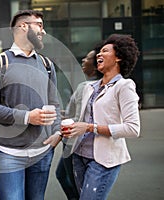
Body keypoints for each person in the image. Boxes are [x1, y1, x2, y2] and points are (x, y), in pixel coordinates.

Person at [0, 10, 62, 200]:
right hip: (10, 154)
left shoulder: (47, 64)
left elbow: (54, 104)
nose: (44, 31)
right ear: (23, 26)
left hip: (42, 152)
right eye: (39, 25)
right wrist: (26, 117)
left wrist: (57, 132)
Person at [61, 34, 141, 200]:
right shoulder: (89, 87)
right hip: (79, 156)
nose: (98, 54)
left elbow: (133, 128)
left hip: (103, 161)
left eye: (105, 51)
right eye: (99, 51)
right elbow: (77, 118)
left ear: (118, 57)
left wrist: (91, 127)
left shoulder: (124, 86)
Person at [56, 47, 103, 200]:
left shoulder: (85, 87)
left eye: (88, 58)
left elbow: (77, 118)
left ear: (97, 65)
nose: (84, 60)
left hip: (74, 142)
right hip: (88, 143)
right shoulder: (101, 86)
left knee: (75, 184)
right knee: (63, 175)